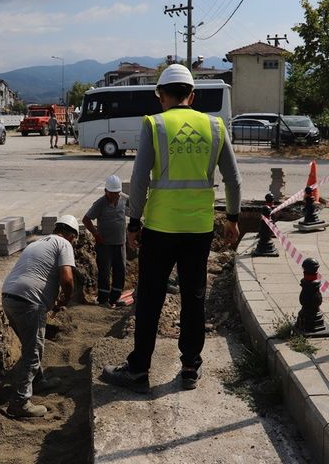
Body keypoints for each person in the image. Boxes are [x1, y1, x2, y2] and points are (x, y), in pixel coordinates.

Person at [101, 64, 241, 393]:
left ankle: (138, 370)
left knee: (150, 299)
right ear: (191, 96)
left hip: (161, 230)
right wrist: (233, 218)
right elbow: (233, 179)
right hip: (199, 228)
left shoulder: (155, 124)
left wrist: (134, 222)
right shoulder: (216, 126)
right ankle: (190, 368)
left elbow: (138, 180)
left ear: (161, 96)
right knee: (194, 298)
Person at [1, 215, 78, 417]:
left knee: (30, 344)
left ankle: (37, 380)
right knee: (33, 350)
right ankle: (19, 402)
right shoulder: (64, 244)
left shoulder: (37, 242)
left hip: (8, 297)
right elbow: (67, 279)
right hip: (28, 301)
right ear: (71, 235)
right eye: (75, 240)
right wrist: (66, 298)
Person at [83, 175, 130, 307]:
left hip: (120, 243)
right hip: (105, 244)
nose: (115, 196)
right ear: (105, 191)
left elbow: (136, 205)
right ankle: (103, 299)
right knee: (104, 272)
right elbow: (86, 219)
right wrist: (95, 234)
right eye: (112, 193)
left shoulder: (123, 199)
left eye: (117, 193)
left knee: (120, 270)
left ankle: (115, 298)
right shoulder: (100, 204)